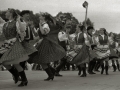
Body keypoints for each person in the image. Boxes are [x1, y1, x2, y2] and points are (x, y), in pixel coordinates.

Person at [0, 8, 37, 87]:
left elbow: (22, 30)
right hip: (7, 44)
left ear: (11, 13)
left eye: (7, 12)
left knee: (15, 63)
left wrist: (19, 21)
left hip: (14, 43)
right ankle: (16, 75)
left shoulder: (16, 22)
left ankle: (24, 79)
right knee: (4, 62)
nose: (5, 13)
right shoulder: (5, 24)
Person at [28, 13, 65, 81]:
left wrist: (39, 25)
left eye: (41, 15)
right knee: (42, 60)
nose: (40, 16)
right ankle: (52, 72)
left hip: (45, 43)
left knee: (42, 60)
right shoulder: (42, 24)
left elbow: (43, 33)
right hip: (42, 42)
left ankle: (51, 74)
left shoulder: (45, 25)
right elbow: (37, 35)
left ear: (44, 18)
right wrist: (33, 28)